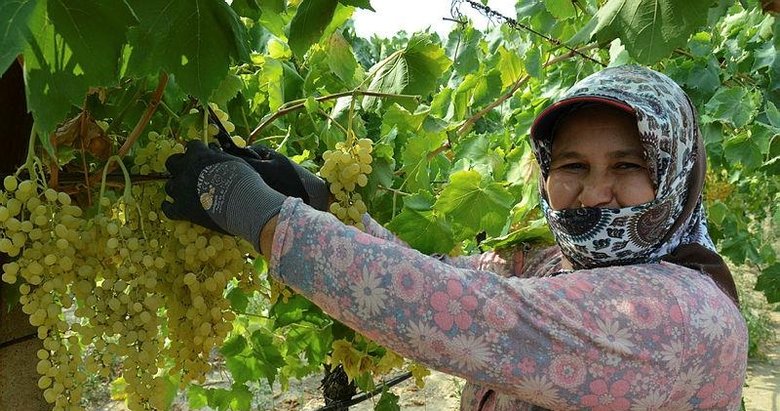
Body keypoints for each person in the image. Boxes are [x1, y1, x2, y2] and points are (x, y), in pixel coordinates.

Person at [162, 65, 747, 410]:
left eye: (626, 167)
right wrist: (323, 201)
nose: (595, 194)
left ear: (675, 177)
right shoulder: (552, 267)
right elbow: (442, 275)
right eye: (572, 167)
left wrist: (261, 216)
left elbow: (464, 314)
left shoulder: (687, 316)